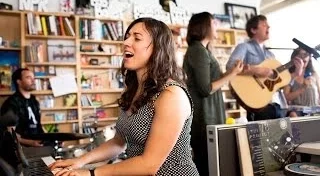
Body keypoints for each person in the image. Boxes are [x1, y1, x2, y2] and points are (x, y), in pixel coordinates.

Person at [50, 17, 199, 176]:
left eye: (136, 38)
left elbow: (149, 165)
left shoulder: (171, 95)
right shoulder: (133, 90)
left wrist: (90, 173)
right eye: (127, 36)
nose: (126, 42)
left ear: (157, 48)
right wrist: (80, 161)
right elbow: (118, 143)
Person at [183, 12, 243, 176]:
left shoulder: (203, 50)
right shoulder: (198, 50)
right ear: (204, 26)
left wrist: (231, 72)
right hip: (205, 116)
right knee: (207, 164)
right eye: (214, 23)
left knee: (212, 163)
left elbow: (210, 82)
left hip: (209, 113)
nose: (217, 26)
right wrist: (231, 75)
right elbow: (206, 89)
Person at [226, 14, 304, 121]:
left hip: (278, 106)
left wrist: (295, 75)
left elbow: (279, 84)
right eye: (264, 25)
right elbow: (230, 66)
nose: (268, 27)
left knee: (281, 137)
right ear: (253, 30)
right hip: (259, 106)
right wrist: (258, 70)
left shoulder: (271, 55)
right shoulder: (244, 47)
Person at [0, 68, 44, 147]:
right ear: (19, 82)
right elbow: (10, 133)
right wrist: (31, 143)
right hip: (20, 150)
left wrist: (52, 139)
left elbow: (38, 126)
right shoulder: (12, 103)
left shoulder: (34, 101)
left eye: (33, 78)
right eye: (28, 77)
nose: (33, 81)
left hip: (38, 145)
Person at [284, 48, 320, 117]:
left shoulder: (314, 74)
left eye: (306, 54)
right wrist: (302, 88)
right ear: (295, 59)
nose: (304, 57)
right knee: (293, 115)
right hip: (298, 111)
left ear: (309, 58)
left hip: (314, 110)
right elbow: (286, 97)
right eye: (301, 55)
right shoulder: (289, 76)